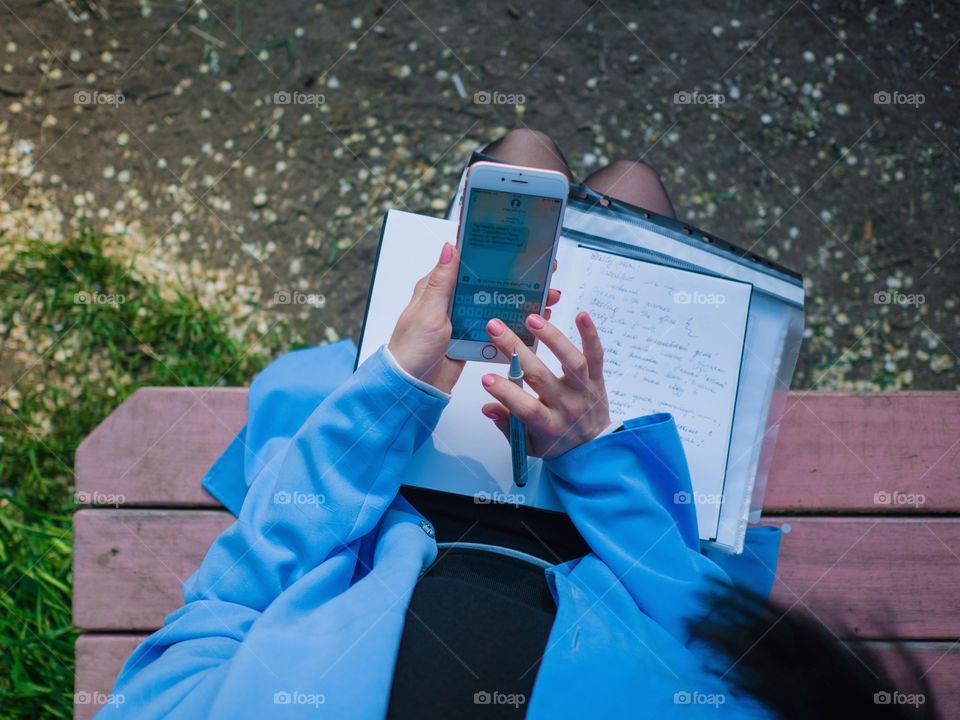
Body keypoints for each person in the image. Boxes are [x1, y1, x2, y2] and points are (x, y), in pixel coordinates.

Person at [96, 130, 935, 719]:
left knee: (526, 162)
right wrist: (595, 458)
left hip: (388, 504)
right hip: (610, 542)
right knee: (629, 191)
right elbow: (714, 631)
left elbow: (224, 609)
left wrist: (392, 389)